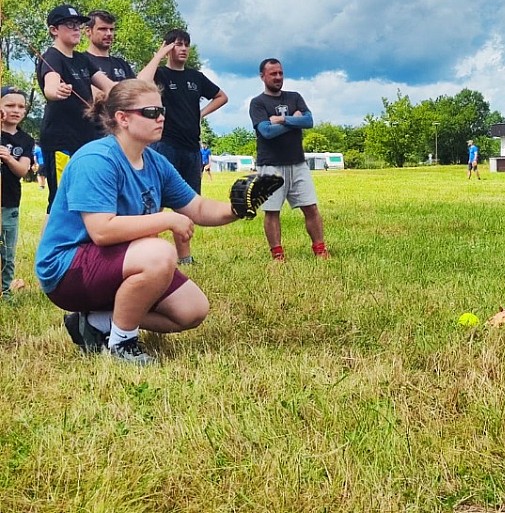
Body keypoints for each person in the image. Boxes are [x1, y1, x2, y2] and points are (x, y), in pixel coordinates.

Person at [35, 79, 242, 365]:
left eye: (162, 111)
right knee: (160, 253)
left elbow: (197, 206)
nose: (160, 118)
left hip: (115, 262)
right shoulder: (97, 159)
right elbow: (102, 231)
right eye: (150, 112)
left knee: (191, 310)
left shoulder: (155, 162)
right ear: (122, 118)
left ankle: (99, 321)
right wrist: (166, 219)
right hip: (67, 270)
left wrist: (238, 208)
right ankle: (121, 343)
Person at [139, 29, 228, 265]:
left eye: (186, 44)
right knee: (154, 203)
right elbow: (140, 83)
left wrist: (201, 114)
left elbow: (221, 96)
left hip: (191, 150)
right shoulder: (160, 74)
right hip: (164, 146)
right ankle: (150, 254)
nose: (184, 49)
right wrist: (159, 54)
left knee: (187, 204)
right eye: (178, 44)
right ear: (168, 47)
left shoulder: (195, 77)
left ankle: (185, 258)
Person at [37, 4, 115, 213]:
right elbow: (50, 86)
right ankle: (50, 246)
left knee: (84, 196)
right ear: (54, 30)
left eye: (79, 25)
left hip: (86, 138)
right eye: (70, 25)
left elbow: (110, 87)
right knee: (61, 200)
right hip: (60, 140)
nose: (77, 29)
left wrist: (140, 93)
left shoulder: (82, 59)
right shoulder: (52, 56)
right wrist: (56, 90)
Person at [249, 58, 329, 260]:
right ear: (262, 76)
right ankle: (277, 255)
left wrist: (283, 119)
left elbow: (309, 121)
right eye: (273, 74)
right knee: (272, 211)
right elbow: (266, 131)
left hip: (297, 163)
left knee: (311, 207)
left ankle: (320, 250)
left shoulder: (295, 97)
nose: (278, 77)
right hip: (271, 165)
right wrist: (295, 121)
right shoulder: (258, 103)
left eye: (280, 73)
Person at [1, 87, 35, 299]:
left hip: (10, 203)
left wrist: (8, 158)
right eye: (9, 105)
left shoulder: (26, 140)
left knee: (7, 251)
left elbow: (22, 170)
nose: (16, 110)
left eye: (21, 106)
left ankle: (5, 291)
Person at [84, 10, 136, 83]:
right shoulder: (80, 61)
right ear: (88, 31)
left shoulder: (122, 64)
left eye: (111, 30)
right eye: (103, 29)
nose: (109, 33)